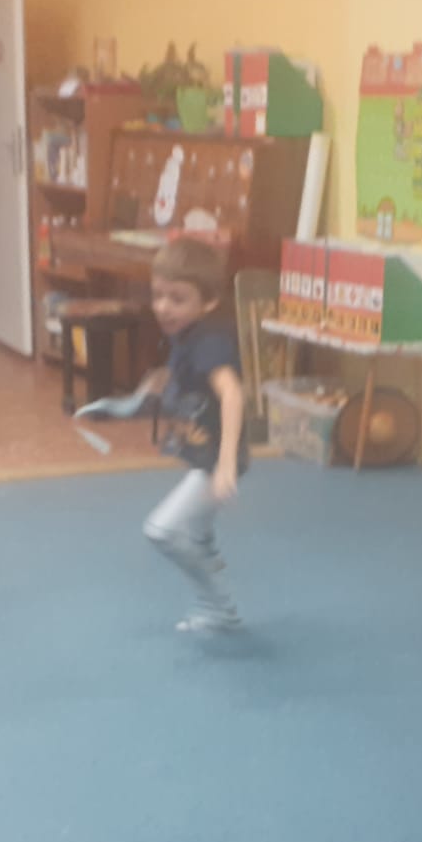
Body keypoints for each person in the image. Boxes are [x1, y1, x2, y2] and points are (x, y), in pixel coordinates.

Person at [140, 237, 248, 634]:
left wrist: (226, 465)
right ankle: (214, 587)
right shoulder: (187, 333)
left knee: (162, 531)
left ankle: (218, 606)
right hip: (204, 453)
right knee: (198, 536)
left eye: (177, 299)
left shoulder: (210, 342)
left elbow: (232, 393)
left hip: (215, 461)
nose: (163, 307)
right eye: (158, 295)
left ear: (208, 302)